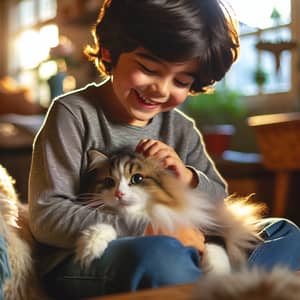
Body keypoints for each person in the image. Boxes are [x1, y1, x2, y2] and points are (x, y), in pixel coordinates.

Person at [28, 0, 300, 299]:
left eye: (181, 80)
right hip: (91, 257)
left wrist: (188, 179)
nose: (161, 89)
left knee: (283, 234)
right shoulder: (72, 113)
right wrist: (149, 228)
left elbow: (218, 205)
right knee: (163, 254)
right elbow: (48, 216)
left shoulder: (180, 127)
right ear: (110, 51)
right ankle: (204, 282)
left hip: (191, 246)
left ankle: (201, 282)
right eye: (148, 68)